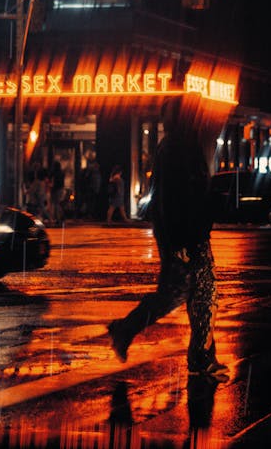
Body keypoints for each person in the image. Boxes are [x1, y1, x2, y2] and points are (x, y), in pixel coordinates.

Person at [107, 95, 229, 381]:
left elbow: (184, 194)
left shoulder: (181, 144)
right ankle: (127, 330)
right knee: (186, 294)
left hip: (188, 231)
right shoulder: (177, 147)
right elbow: (176, 198)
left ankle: (201, 356)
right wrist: (186, 232)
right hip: (185, 234)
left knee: (199, 293)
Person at [49, 160, 65, 226]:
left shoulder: (54, 173)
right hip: (60, 189)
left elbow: (51, 179)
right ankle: (60, 218)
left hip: (55, 189)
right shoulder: (62, 173)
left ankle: (57, 218)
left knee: (55, 204)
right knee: (58, 204)